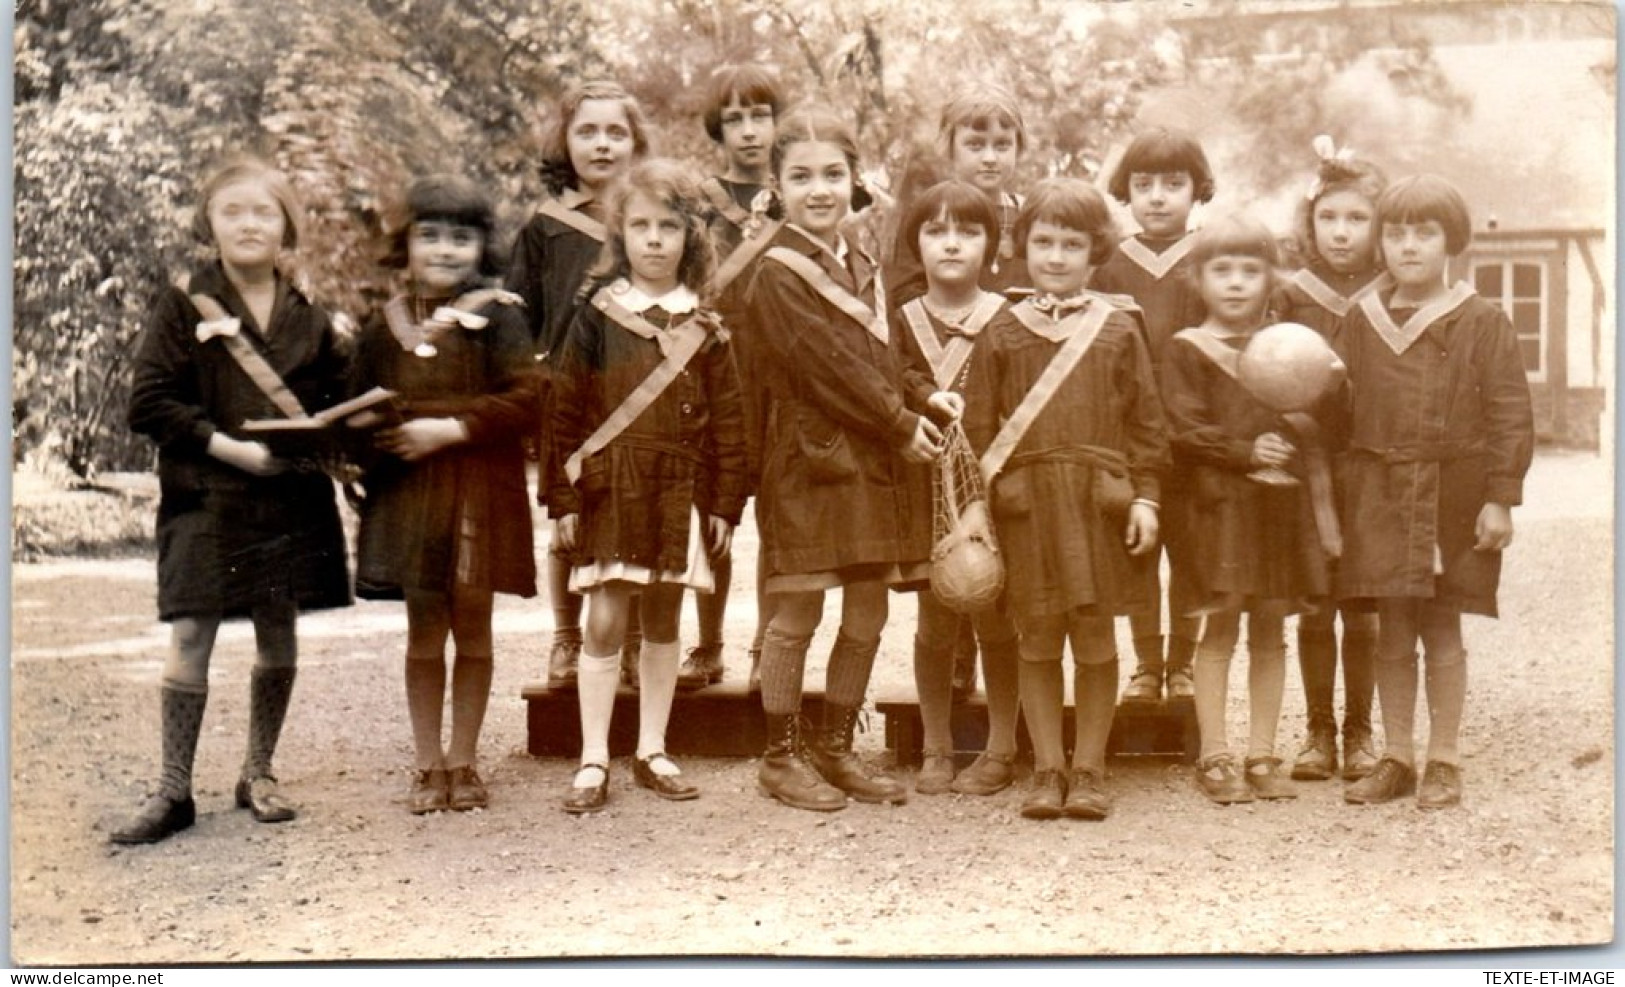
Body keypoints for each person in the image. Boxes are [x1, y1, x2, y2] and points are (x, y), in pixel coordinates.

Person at [116, 156, 353, 843]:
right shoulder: (183, 302)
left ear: (287, 228)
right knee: (192, 630)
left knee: (279, 626)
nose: (249, 224)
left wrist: (343, 428)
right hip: (206, 492)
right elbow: (148, 401)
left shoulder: (311, 317)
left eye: (264, 212)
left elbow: (336, 402)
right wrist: (229, 447)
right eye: (233, 211)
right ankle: (173, 790)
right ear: (208, 224)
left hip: (287, 499)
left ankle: (259, 771)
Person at [744, 104, 954, 813]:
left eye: (833, 173)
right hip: (811, 456)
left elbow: (885, 354)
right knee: (798, 607)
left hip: (872, 455)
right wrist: (899, 422)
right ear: (775, 187)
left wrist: (922, 398)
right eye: (800, 176)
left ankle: (833, 746)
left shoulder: (864, 260)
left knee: (867, 608)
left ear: (854, 179)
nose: (820, 189)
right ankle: (779, 754)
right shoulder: (775, 272)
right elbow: (824, 367)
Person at [962, 178, 1168, 821]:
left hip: (1097, 506)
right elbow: (977, 430)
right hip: (1028, 508)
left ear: (1095, 250)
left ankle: (1091, 768)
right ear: (1022, 246)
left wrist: (1147, 499)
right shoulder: (1001, 329)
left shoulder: (1117, 327)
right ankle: (1047, 766)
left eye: (1071, 244)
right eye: (1043, 242)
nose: (1055, 257)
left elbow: (1147, 426)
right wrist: (975, 506)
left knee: (1097, 636)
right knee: (1037, 636)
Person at [547, 159, 749, 813]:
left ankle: (653, 747)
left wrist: (722, 502)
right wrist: (564, 499)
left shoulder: (707, 327)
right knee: (605, 616)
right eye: (641, 225)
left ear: (691, 237)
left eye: (668, 226)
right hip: (612, 482)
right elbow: (564, 411)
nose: (655, 239)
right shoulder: (597, 316)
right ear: (621, 235)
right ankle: (592, 756)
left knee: (663, 614)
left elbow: (729, 421)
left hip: (679, 487)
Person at [1335, 175, 1534, 809]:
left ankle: (1444, 758)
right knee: (1392, 629)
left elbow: (1509, 411)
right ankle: (1397, 756)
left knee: (1442, 626)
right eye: (1395, 233)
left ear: (1451, 241)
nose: (1408, 246)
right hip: (1382, 490)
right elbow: (1335, 406)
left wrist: (1501, 495)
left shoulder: (1482, 320)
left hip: (1453, 490)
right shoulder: (1360, 320)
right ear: (1380, 243)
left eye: (1424, 233)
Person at [350, 175, 539, 814]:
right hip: (412, 491)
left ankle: (466, 760)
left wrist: (452, 428)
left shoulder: (500, 314)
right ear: (404, 245)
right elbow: (354, 405)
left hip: (478, 489)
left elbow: (528, 397)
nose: (445, 250)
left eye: (462, 238)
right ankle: (428, 764)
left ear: (483, 247)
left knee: (475, 624)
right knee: (424, 627)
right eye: (429, 236)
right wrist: (364, 445)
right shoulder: (383, 326)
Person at [1162, 216, 1339, 805]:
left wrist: (1328, 387)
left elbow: (1325, 423)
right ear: (1198, 278)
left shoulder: (1288, 345)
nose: (1236, 283)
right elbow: (1182, 429)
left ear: (1270, 278)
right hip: (1219, 509)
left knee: (1270, 628)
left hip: (1277, 507)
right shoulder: (1187, 349)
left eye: (1250, 271)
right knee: (1220, 625)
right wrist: (1243, 451)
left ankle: (1262, 753)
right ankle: (1215, 754)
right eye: (1222, 270)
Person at [507, 80, 651, 693]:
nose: (602, 144)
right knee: (568, 518)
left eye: (616, 132)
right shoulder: (545, 227)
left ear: (636, 143)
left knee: (641, 512)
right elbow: (520, 315)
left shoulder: (652, 216)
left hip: (642, 389)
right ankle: (567, 637)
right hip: (568, 394)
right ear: (564, 142)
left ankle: (636, 645)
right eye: (587, 131)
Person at [891, 180, 1021, 796]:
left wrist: (984, 494)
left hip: (987, 494)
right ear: (915, 245)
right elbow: (890, 385)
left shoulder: (1008, 320)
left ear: (991, 248)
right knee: (935, 621)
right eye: (936, 231)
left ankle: (1001, 746)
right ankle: (937, 748)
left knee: (995, 616)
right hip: (920, 491)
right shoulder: (899, 321)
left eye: (969, 232)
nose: (952, 244)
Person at [1275, 138, 1390, 783]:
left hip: (1371, 467)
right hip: (1308, 465)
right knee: (1317, 603)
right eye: (1328, 218)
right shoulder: (1293, 296)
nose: (1341, 233)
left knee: (1364, 606)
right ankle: (1319, 729)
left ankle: (1361, 731)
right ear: (1309, 223)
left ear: (1378, 228)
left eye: (1356, 219)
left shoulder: (1392, 292)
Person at [1092, 127, 1214, 706]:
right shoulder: (1109, 266)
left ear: (1198, 190)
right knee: (1138, 548)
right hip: (1131, 437)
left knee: (1190, 551)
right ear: (1126, 191)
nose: (1158, 197)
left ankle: (1182, 663)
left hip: (1193, 435)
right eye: (1144, 185)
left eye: (1174, 184)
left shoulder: (1212, 260)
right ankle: (1145, 663)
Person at [677, 63, 786, 693]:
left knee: (778, 516)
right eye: (736, 119)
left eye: (761, 116)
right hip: (715, 373)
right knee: (711, 510)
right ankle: (709, 644)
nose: (749, 131)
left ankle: (766, 650)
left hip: (779, 375)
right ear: (718, 128)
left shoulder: (799, 192)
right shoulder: (698, 203)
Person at [889, 83, 1031, 306]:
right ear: (951, 147)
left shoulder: (1029, 218)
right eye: (975, 145)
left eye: (1002, 145)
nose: (990, 158)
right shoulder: (927, 216)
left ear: (1018, 147)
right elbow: (904, 296)